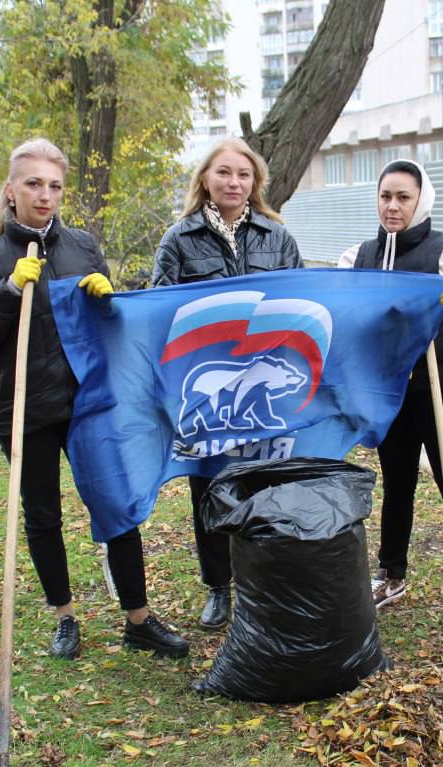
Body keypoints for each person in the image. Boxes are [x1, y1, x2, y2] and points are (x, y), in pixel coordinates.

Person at [0, 138, 188, 660]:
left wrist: (112, 301)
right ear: (11, 191)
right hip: (25, 410)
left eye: (54, 185)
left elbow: (112, 332)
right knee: (43, 517)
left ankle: (139, 619)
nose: (45, 194)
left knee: (118, 506)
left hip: (89, 405)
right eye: (33, 184)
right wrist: (8, 292)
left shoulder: (81, 247)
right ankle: (64, 617)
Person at [338, 159, 443, 629]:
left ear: (420, 200)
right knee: (398, 481)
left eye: (403, 197)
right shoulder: (360, 257)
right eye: (386, 196)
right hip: (389, 389)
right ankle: (392, 574)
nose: (393, 206)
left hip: (441, 386)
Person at [151, 137, 303, 630]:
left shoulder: (277, 238)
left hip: (264, 386)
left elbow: (298, 302)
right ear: (205, 180)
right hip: (207, 384)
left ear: (255, 183)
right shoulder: (179, 239)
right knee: (208, 487)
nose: (233, 182)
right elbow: (158, 307)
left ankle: (266, 582)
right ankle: (218, 586)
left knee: (266, 483)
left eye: (243, 174)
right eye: (224, 173)